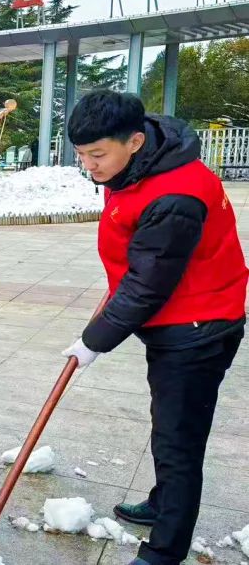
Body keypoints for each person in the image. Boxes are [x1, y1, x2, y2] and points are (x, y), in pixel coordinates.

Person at [62, 91, 247, 565]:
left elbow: (148, 285)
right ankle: (164, 503)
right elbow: (143, 259)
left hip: (198, 328)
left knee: (177, 441)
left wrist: (94, 341)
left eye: (97, 154)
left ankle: (164, 552)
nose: (89, 166)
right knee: (169, 425)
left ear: (136, 141)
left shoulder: (176, 195)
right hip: (178, 317)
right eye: (81, 154)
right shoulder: (138, 165)